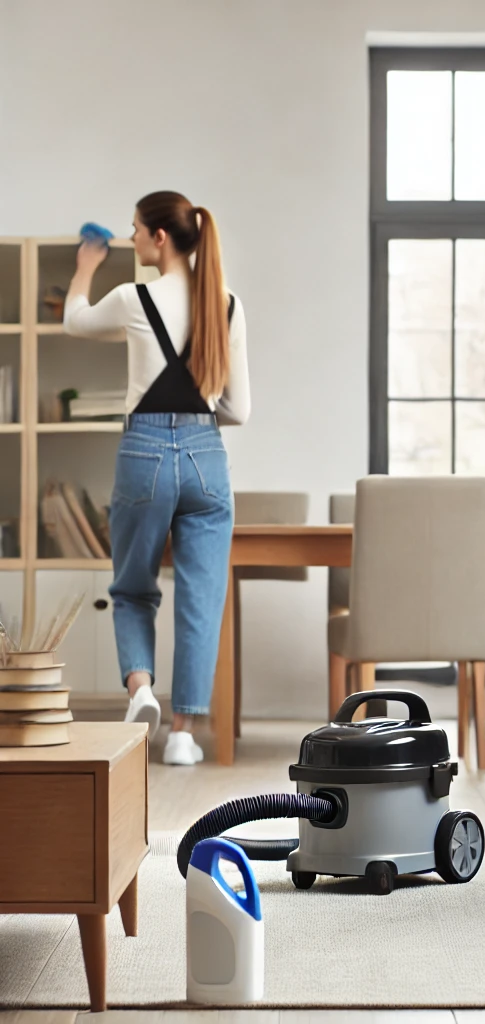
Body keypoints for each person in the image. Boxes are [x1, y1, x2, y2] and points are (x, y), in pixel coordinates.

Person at [65, 192, 250, 766]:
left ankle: (140, 690)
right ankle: (185, 735)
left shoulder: (131, 297)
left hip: (143, 449)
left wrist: (85, 267)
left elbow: (74, 321)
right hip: (205, 456)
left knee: (133, 588)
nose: (133, 239)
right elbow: (238, 410)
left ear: (160, 238)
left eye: (136, 231)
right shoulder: (226, 302)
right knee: (200, 598)